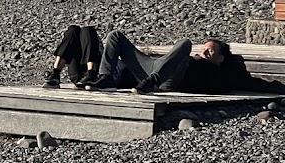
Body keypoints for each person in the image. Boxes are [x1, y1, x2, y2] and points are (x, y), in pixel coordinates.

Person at [42, 24, 285, 95]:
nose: (205, 52)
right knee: (115, 35)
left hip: (169, 80)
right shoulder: (192, 59)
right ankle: (104, 77)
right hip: (152, 69)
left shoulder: (223, 73)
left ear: (221, 58)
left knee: (185, 43)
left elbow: (256, 83)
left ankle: (151, 82)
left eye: (211, 51)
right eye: (206, 49)